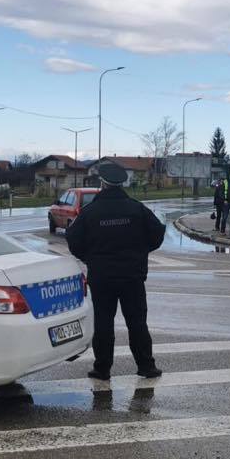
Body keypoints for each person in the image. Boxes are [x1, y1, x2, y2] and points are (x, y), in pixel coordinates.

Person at [66, 162, 166, 380]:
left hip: (102, 278)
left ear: (102, 183)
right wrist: (140, 251)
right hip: (132, 276)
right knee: (137, 322)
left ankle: (102, 368)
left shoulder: (90, 212)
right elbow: (157, 234)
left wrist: (90, 257)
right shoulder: (137, 209)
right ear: (123, 184)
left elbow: (73, 241)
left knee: (103, 323)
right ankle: (146, 366)